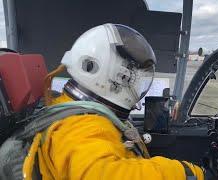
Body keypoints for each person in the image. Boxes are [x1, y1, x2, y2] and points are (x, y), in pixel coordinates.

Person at [0, 23, 204, 180]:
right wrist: (189, 172)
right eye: (132, 77)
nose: (136, 87)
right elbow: (103, 174)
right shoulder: (82, 125)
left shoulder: (73, 108)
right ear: (110, 76)